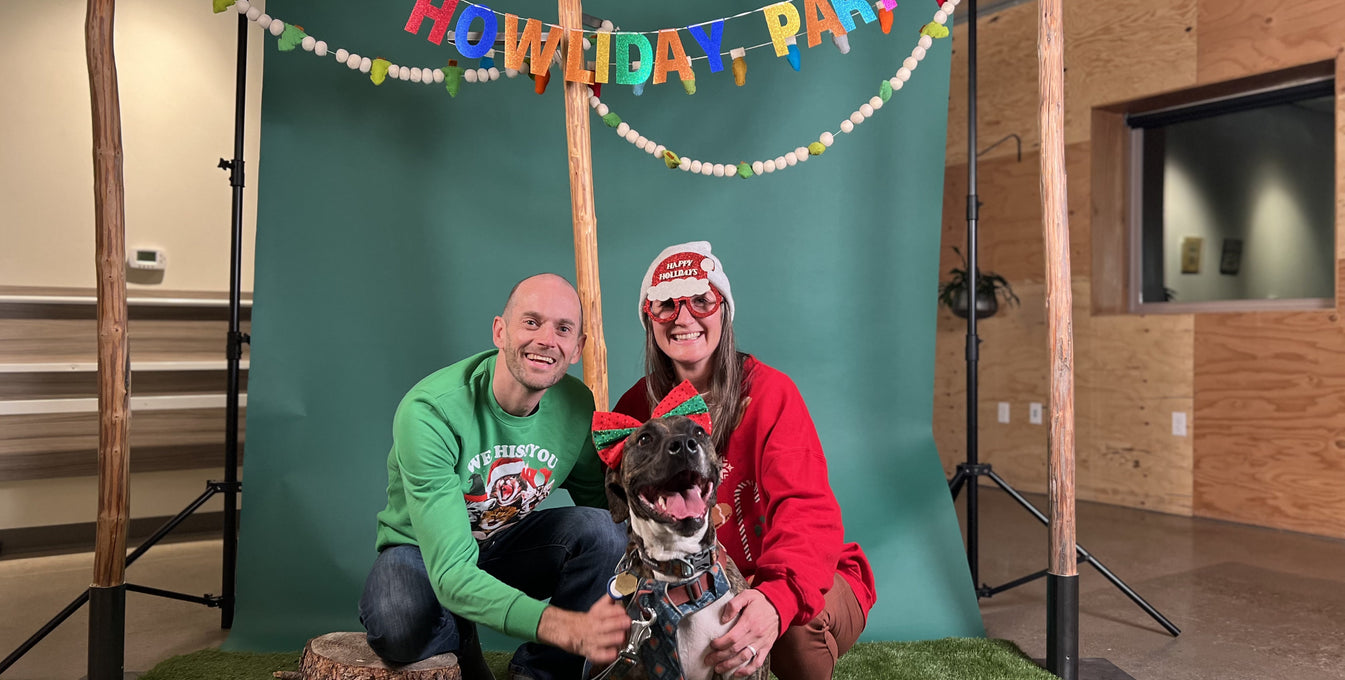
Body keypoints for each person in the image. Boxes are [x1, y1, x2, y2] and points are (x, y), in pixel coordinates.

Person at [613, 242, 877, 680]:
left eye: (701, 301)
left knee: (793, 627)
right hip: (690, 584)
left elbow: (807, 512)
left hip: (804, 572)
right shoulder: (635, 408)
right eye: (666, 306)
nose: (684, 317)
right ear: (648, 318)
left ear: (724, 312)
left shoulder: (772, 393)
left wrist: (776, 598)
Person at [360, 273, 630, 680]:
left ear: (578, 348)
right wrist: (561, 625)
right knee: (398, 623)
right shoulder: (430, 411)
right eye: (531, 322)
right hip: (423, 552)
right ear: (500, 331)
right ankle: (459, 638)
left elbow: (604, 509)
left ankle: (543, 672)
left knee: (606, 532)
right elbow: (450, 571)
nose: (546, 339)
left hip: (504, 547)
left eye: (563, 329)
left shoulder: (577, 407)